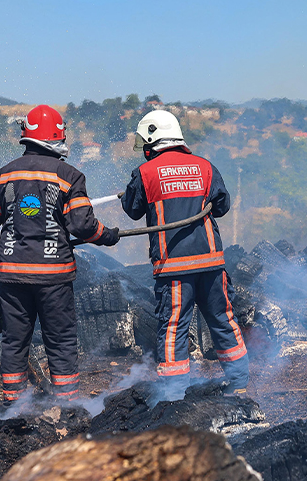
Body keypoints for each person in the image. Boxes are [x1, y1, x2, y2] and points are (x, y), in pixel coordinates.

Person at [0, 104, 119, 405]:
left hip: (12, 278)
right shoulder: (69, 175)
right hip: (54, 278)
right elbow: (82, 225)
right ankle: (67, 407)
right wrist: (108, 236)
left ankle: (15, 407)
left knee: (14, 343)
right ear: (58, 138)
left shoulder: (2, 176)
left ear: (26, 136)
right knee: (61, 342)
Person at [121, 109, 249, 397]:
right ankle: (239, 382)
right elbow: (222, 206)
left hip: (174, 267)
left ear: (152, 140)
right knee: (222, 317)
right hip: (212, 264)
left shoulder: (145, 173)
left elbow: (132, 210)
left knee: (174, 326)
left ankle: (175, 391)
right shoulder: (204, 166)